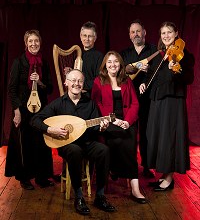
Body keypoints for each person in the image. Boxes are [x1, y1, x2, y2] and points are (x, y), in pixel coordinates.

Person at [31, 69, 116, 215]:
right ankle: (79, 197)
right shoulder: (58, 104)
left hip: (87, 143)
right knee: (75, 151)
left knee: (104, 150)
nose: (76, 83)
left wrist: (102, 127)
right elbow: (35, 120)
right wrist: (50, 129)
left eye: (80, 81)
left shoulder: (90, 104)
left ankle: (100, 196)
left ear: (83, 84)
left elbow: (96, 128)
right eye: (73, 80)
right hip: (67, 145)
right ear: (66, 82)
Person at [139, 21, 194, 191]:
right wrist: (144, 83)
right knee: (158, 137)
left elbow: (188, 79)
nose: (166, 36)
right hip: (157, 102)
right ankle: (164, 175)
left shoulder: (184, 55)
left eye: (169, 32)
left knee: (169, 138)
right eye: (163, 33)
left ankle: (169, 178)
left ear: (176, 33)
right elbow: (153, 76)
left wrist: (175, 70)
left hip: (172, 102)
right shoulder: (160, 54)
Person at [91, 51, 148, 204]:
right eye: (109, 62)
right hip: (107, 121)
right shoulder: (99, 81)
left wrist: (128, 122)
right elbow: (96, 104)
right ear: (105, 65)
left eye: (116, 61)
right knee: (114, 141)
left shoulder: (126, 80)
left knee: (129, 142)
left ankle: (135, 189)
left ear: (120, 64)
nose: (113, 65)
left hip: (126, 121)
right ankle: (114, 169)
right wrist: (112, 120)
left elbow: (135, 103)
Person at [5, 30, 54, 190]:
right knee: (24, 143)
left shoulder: (44, 63)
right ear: (26, 43)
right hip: (23, 110)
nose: (34, 44)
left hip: (41, 110)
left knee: (41, 143)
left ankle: (42, 177)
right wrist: (16, 111)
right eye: (30, 41)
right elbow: (11, 89)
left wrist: (39, 82)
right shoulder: (19, 62)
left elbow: (50, 89)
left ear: (40, 43)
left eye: (36, 41)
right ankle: (24, 177)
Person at [121, 19, 158, 178]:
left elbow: (159, 74)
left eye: (138, 31)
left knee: (146, 134)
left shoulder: (154, 50)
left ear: (144, 32)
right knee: (128, 133)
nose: (136, 34)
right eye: (132, 32)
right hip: (129, 100)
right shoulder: (124, 54)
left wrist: (149, 71)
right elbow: (120, 73)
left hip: (148, 99)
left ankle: (147, 166)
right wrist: (132, 68)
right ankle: (127, 166)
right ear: (130, 36)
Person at [80, 21, 104, 95]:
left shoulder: (99, 56)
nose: (87, 39)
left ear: (95, 38)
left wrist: (81, 86)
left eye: (90, 36)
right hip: (77, 94)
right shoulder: (77, 54)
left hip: (91, 96)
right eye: (84, 35)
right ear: (80, 36)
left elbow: (99, 80)